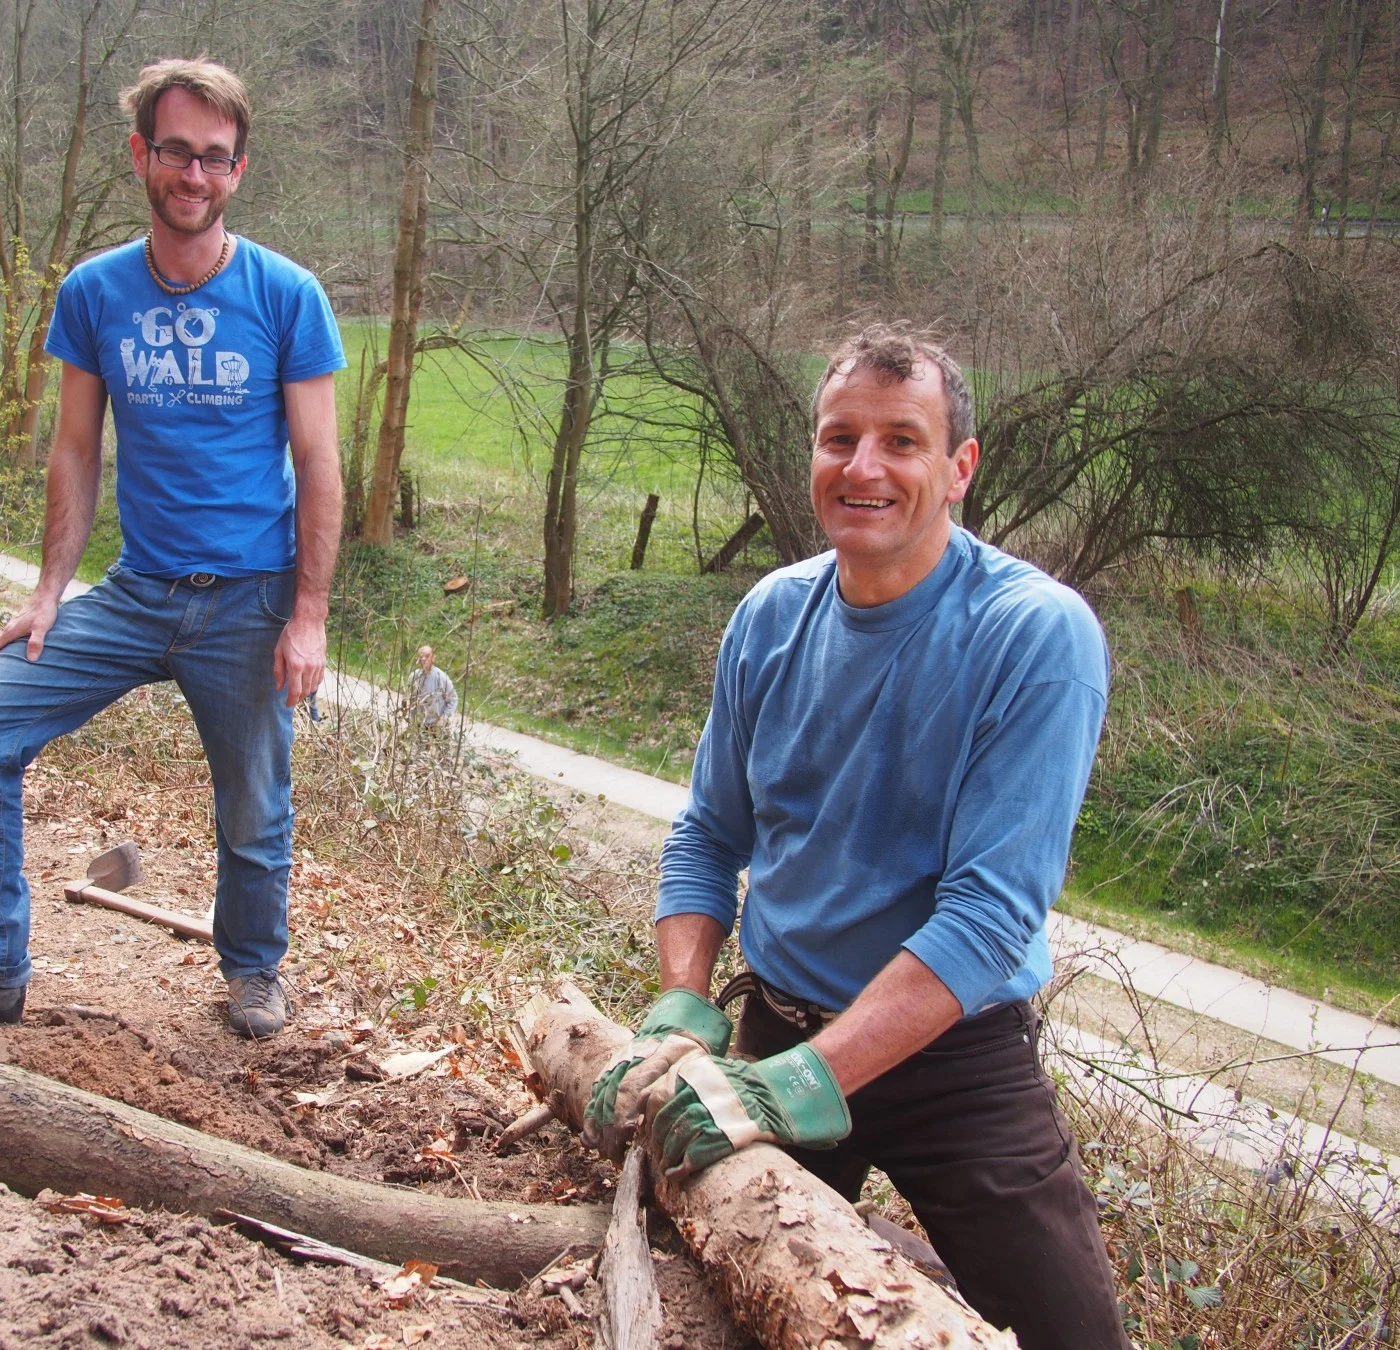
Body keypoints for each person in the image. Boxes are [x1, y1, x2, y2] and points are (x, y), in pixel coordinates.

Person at [583, 328, 1123, 1349]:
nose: (863, 467)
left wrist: (812, 1085)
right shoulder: (770, 617)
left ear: (960, 468)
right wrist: (683, 997)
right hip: (775, 1032)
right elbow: (708, 834)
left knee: (1072, 1336)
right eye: (840, 438)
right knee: (716, 1307)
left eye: (901, 441)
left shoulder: (1035, 635)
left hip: (950, 1061)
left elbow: (990, 916)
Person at [0, 57, 344, 1040]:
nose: (194, 176)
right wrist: (47, 592)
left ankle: (254, 971)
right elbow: (76, 450)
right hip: (133, 594)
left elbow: (321, 466)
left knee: (255, 807)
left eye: (215, 158)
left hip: (250, 600)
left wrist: (309, 617)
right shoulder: (94, 293)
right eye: (177, 153)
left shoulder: (288, 297)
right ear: (142, 155)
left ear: (238, 170)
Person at [407, 644, 457, 729]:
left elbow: (453, 699)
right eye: (421, 656)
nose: (423, 659)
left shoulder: (441, 677)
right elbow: (410, 700)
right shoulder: (413, 676)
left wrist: (443, 719)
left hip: (435, 727)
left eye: (427, 656)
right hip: (417, 726)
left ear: (433, 658)